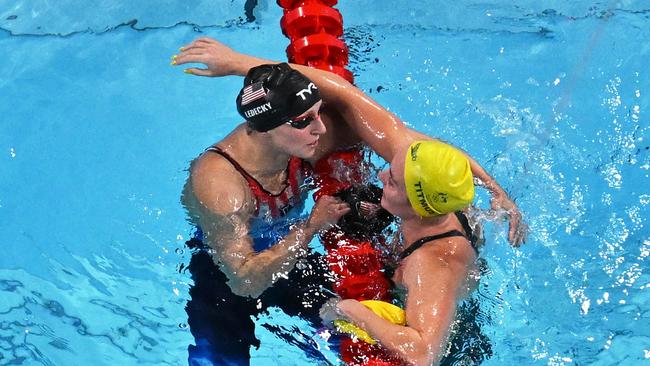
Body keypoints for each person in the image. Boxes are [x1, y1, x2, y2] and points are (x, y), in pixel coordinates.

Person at [173, 37, 526, 365]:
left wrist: (496, 190)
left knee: (346, 322)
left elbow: (408, 141)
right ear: (265, 129)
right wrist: (311, 227)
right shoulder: (222, 188)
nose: (322, 129)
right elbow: (244, 281)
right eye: (304, 121)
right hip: (228, 268)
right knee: (219, 354)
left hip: (295, 254)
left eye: (317, 113)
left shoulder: (307, 137)